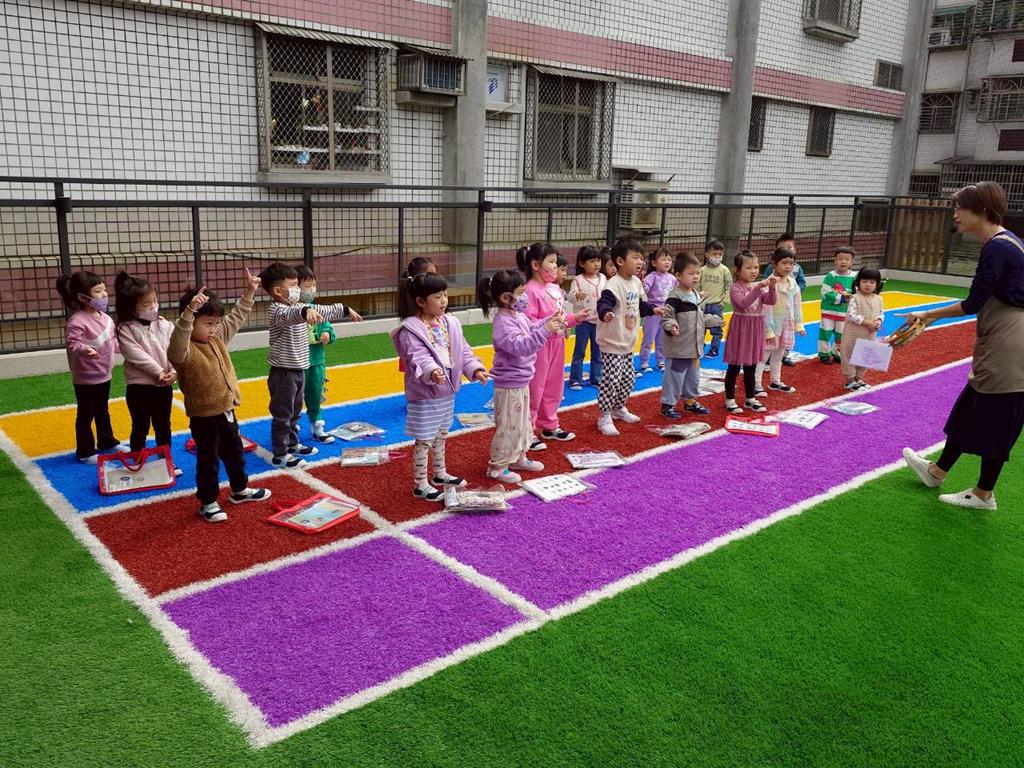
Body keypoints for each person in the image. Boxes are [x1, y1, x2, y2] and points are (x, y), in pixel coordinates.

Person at [903, 181, 1024, 511]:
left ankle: (984, 494)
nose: (955, 213)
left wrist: (928, 314)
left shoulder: (998, 248)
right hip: (1004, 334)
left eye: (961, 207)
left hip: (1010, 339)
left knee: (1000, 415)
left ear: (982, 210)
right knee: (971, 406)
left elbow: (972, 303)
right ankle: (937, 471)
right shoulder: (1008, 242)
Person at [167, 271, 271, 523]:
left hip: (227, 410)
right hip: (204, 417)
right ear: (192, 322)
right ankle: (208, 502)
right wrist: (189, 314)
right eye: (208, 323)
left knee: (235, 453)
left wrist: (249, 293)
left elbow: (236, 317)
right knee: (208, 460)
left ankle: (239, 490)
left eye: (216, 323)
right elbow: (177, 344)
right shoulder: (185, 349)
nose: (214, 329)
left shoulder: (217, 338)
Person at [392, 271, 489, 501]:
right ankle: (420, 484)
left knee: (441, 435)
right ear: (420, 301)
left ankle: (439, 473)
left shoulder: (449, 322)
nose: (444, 300)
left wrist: (475, 369)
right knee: (424, 439)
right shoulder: (411, 329)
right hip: (425, 393)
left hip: (447, 391)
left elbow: (463, 350)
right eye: (437, 296)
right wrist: (431, 371)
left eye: (445, 294)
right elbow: (417, 356)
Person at [259, 262, 362, 469]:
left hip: (299, 370)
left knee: (295, 412)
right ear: (278, 291)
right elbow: (290, 315)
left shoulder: (299, 307)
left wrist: (344, 309)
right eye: (293, 285)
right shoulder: (277, 310)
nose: (298, 289)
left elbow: (321, 309)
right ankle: (280, 453)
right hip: (284, 373)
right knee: (283, 415)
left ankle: (292, 443)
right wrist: (305, 311)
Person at [478, 269, 562, 484]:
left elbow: (531, 328)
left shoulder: (518, 315)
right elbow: (521, 346)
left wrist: (547, 321)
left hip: (522, 380)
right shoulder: (503, 322)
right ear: (506, 298)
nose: (525, 297)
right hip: (509, 383)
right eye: (521, 292)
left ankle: (517, 456)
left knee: (523, 423)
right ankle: (498, 466)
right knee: (509, 425)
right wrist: (546, 330)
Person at [518, 242, 588, 450]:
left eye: (556, 262)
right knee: (535, 387)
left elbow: (561, 315)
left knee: (554, 385)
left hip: (557, 342)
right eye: (551, 262)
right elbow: (528, 322)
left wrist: (574, 318)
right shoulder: (530, 290)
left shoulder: (554, 288)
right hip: (540, 345)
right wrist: (547, 325)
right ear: (535, 265)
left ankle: (549, 424)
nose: (555, 266)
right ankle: (528, 430)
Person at [595, 239, 668, 436]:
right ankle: (604, 415)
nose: (640, 262)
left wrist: (653, 309)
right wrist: (606, 313)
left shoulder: (636, 283)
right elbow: (603, 303)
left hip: (628, 341)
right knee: (611, 379)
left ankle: (618, 407)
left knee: (628, 379)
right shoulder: (613, 284)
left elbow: (641, 305)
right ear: (620, 261)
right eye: (635, 258)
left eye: (641, 258)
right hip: (612, 342)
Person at [55, 270, 128, 463]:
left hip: (104, 374)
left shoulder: (106, 319)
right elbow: (73, 344)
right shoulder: (76, 321)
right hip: (85, 378)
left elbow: (112, 343)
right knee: (86, 414)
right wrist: (84, 349)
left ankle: (106, 441)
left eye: (104, 290)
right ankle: (85, 451)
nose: (104, 295)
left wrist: (129, 348)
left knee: (102, 409)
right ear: (82, 297)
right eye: (98, 291)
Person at [113, 272, 180, 474]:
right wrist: (158, 371)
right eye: (146, 304)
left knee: (163, 426)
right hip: (139, 388)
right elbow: (135, 354)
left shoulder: (165, 325)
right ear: (131, 308)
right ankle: (137, 459)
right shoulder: (125, 329)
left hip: (163, 386)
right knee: (140, 426)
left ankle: (166, 459)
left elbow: (176, 349)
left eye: (155, 301)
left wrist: (174, 371)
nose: (153, 307)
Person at [660, 252, 721, 418]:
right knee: (674, 376)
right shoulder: (675, 297)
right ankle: (668, 404)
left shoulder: (696, 295)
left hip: (695, 347)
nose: (695, 277)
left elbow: (698, 318)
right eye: (691, 273)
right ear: (678, 275)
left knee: (692, 377)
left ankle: (690, 401)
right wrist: (671, 326)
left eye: (697, 273)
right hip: (679, 348)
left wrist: (714, 320)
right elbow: (667, 316)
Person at [723, 251, 777, 414]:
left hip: (755, 329)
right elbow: (743, 303)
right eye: (748, 268)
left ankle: (750, 398)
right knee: (734, 366)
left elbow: (771, 301)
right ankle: (730, 399)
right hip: (741, 329)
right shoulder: (735, 288)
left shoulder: (756, 287)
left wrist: (772, 288)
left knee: (751, 366)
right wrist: (759, 287)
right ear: (737, 270)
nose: (753, 271)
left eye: (756, 267)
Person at [754, 247, 805, 395]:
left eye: (791, 263)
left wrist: (799, 324)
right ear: (774, 264)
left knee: (779, 355)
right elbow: (766, 309)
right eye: (784, 263)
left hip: (786, 325)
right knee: (763, 356)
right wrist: (768, 330)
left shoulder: (793, 283)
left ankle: (775, 381)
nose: (788, 267)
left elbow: (797, 305)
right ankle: (756, 384)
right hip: (771, 325)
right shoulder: (768, 284)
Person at [296, 266, 337, 444]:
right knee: (294, 396)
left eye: (313, 285)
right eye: (307, 286)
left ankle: (317, 426)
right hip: (297, 363)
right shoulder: (291, 312)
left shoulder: (318, 309)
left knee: (315, 393)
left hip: (316, 361)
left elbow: (329, 328)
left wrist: (327, 334)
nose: (311, 289)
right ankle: (291, 425)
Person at [763, 233, 806, 366]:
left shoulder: (797, 269)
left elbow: (802, 282)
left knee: (785, 336)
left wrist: (795, 291)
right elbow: (766, 284)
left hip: (789, 303)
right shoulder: (771, 270)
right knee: (770, 340)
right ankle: (765, 360)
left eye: (789, 247)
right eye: (782, 248)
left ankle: (784, 355)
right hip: (774, 311)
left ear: (795, 249)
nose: (788, 266)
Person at [568, 245, 606, 390]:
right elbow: (570, 296)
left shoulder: (603, 278)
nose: (596, 264)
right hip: (583, 322)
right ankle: (575, 379)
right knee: (580, 351)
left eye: (598, 261)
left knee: (597, 352)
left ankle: (596, 378)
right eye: (592, 261)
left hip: (599, 322)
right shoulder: (578, 280)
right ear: (582, 263)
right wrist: (577, 295)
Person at [841, 267, 885, 390]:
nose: (867, 285)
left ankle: (858, 378)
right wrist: (867, 322)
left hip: (869, 334)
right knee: (849, 353)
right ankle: (850, 379)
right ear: (858, 282)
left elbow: (881, 313)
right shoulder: (855, 298)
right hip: (853, 333)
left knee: (865, 354)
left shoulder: (879, 299)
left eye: (872, 282)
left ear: (877, 284)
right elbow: (851, 315)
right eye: (864, 281)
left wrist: (879, 321)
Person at [639, 247, 676, 373]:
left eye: (669, 259)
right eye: (663, 259)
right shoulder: (652, 277)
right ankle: (644, 361)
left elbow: (679, 289)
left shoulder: (672, 278)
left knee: (662, 338)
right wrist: (642, 286)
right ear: (654, 263)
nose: (667, 262)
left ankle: (661, 360)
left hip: (666, 312)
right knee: (649, 338)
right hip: (653, 311)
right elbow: (644, 289)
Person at [819, 246, 856, 363]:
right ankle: (824, 353)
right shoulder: (831, 276)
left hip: (844, 313)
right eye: (840, 259)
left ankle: (837, 353)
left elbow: (856, 293)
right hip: (828, 311)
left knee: (841, 334)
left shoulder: (854, 276)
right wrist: (842, 298)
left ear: (851, 262)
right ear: (835, 260)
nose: (843, 262)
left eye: (847, 259)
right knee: (825, 333)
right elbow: (825, 293)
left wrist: (851, 298)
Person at [699, 239, 731, 358]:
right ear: (707, 255)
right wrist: (697, 299)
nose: (717, 256)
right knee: (700, 328)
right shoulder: (702, 270)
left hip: (717, 305)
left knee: (716, 330)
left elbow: (729, 286)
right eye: (714, 254)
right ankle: (699, 348)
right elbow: (697, 286)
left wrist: (724, 302)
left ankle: (714, 349)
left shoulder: (724, 270)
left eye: (720, 254)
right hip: (702, 305)